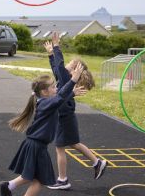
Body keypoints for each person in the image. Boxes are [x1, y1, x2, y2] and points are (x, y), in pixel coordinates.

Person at [0, 63, 88, 196]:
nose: (56, 88)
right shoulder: (46, 103)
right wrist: (72, 81)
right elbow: (58, 99)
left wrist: (71, 94)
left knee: (32, 176)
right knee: (39, 181)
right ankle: (9, 186)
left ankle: (9, 186)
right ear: (44, 92)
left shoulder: (45, 102)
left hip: (34, 145)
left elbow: (58, 101)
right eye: (53, 87)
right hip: (37, 146)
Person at [44, 32, 106, 191]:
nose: (66, 66)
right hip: (65, 116)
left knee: (60, 148)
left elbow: (59, 66)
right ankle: (97, 162)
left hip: (64, 117)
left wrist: (56, 48)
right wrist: (51, 54)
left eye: (69, 65)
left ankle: (63, 180)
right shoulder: (65, 79)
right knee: (73, 143)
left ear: (74, 71)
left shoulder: (68, 79)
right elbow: (56, 69)